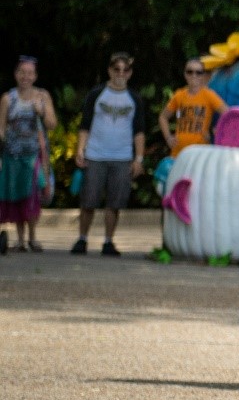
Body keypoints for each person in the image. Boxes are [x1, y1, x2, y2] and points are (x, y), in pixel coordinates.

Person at [72, 52, 146, 257]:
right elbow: (84, 125)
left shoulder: (135, 98)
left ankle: (108, 241)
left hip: (122, 157)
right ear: (109, 70)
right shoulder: (96, 93)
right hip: (95, 154)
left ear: (130, 73)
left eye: (125, 70)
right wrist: (80, 150)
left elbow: (139, 131)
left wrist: (138, 159)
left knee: (115, 203)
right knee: (88, 200)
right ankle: (82, 239)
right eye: (117, 69)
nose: (120, 73)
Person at [0, 56, 58, 253]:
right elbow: (1, 129)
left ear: (35, 76)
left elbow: (52, 124)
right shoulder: (7, 98)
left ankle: (33, 237)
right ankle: (20, 240)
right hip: (12, 155)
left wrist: (41, 111)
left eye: (30, 73)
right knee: (17, 194)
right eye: (22, 72)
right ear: (16, 75)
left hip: (34, 155)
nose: (26, 76)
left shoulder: (43, 96)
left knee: (32, 193)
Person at [158, 58, 227, 158]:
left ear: (203, 75)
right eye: (190, 71)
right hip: (178, 153)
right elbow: (163, 117)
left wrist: (218, 130)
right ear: (185, 74)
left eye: (198, 72)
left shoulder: (209, 95)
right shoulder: (178, 95)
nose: (194, 75)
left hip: (200, 154)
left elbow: (228, 113)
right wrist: (168, 138)